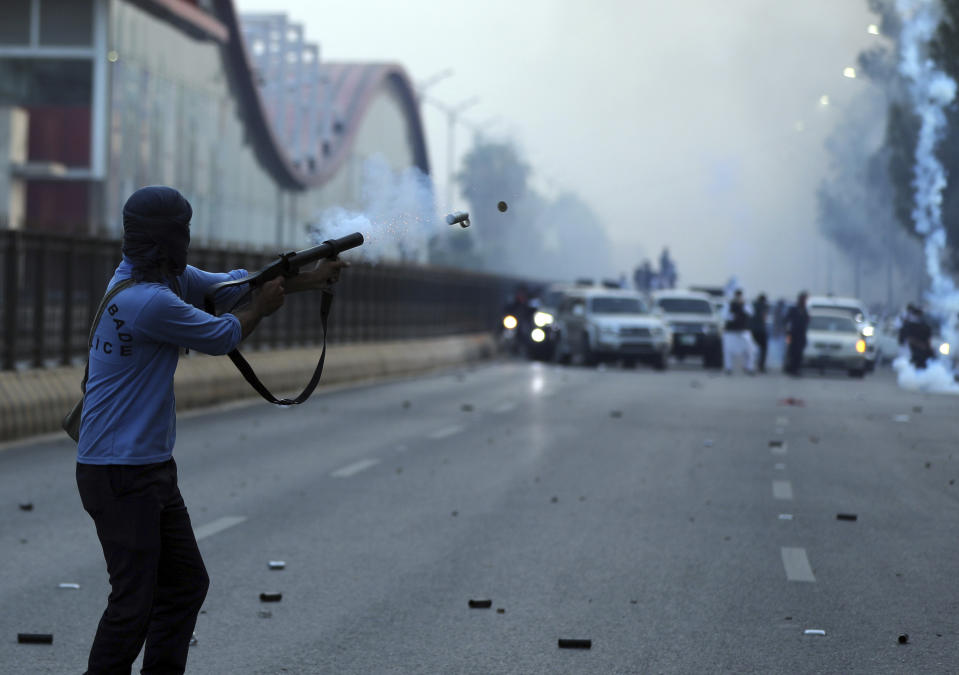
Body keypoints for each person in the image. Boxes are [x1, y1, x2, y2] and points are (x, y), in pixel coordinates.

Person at [75, 186, 347, 674]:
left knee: (184, 584)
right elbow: (223, 333)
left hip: (149, 467)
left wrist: (307, 278)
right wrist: (262, 309)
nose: (189, 241)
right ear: (165, 239)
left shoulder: (159, 280)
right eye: (182, 231)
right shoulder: (146, 301)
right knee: (132, 605)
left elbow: (231, 286)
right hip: (118, 473)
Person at [721, 288, 757, 374]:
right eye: (737, 295)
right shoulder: (729, 304)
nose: (738, 297)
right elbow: (724, 315)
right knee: (728, 351)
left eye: (739, 295)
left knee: (750, 350)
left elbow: (751, 313)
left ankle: (749, 367)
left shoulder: (745, 304)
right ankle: (728, 368)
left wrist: (743, 305)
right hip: (731, 332)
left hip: (743, 331)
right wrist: (732, 317)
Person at [784, 291, 810, 376]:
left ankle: (796, 368)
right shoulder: (794, 309)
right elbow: (786, 320)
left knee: (799, 353)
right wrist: (788, 331)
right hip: (792, 334)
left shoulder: (805, 310)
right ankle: (791, 368)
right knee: (792, 352)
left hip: (801, 335)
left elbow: (807, 321)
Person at [751, 293, 770, 373]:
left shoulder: (753, 305)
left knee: (751, 349)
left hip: (752, 330)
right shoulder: (763, 307)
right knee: (764, 348)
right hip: (760, 330)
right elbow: (764, 317)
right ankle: (761, 366)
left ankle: (751, 365)